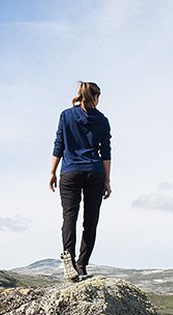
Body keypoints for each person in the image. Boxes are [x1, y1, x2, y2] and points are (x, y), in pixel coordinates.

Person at [49, 81, 112, 281]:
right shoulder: (102, 120)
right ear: (95, 97)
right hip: (94, 172)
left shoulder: (66, 115)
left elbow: (59, 144)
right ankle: (82, 265)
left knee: (69, 217)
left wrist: (52, 171)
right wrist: (107, 180)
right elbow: (106, 152)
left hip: (69, 172)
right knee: (90, 220)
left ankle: (69, 262)